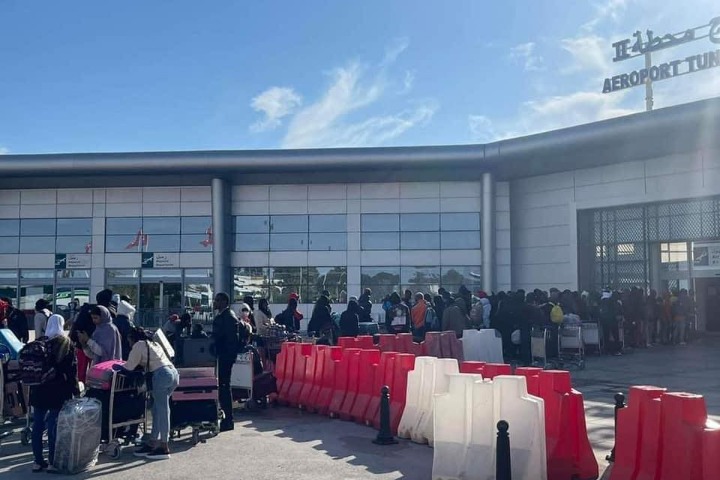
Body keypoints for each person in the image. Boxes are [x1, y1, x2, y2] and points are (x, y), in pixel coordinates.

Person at [112, 326, 179, 460]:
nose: (129, 344)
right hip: (173, 374)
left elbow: (129, 367)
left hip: (160, 375)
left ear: (133, 338)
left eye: (129, 340)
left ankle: (164, 446)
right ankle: (153, 442)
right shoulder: (154, 344)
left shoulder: (139, 345)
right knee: (157, 409)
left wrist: (115, 366)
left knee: (162, 410)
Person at [29, 314, 77, 473]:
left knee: (37, 425)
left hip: (38, 390)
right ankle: (52, 461)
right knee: (53, 425)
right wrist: (75, 391)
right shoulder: (66, 343)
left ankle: (37, 461)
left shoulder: (39, 342)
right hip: (57, 390)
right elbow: (71, 371)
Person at [212, 292, 240, 432]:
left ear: (224, 301)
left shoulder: (227, 317)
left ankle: (228, 419)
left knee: (224, 387)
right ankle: (227, 418)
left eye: (217, 300)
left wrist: (225, 353)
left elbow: (228, 339)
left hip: (225, 356)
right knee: (223, 386)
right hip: (224, 355)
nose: (215, 302)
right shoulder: (225, 316)